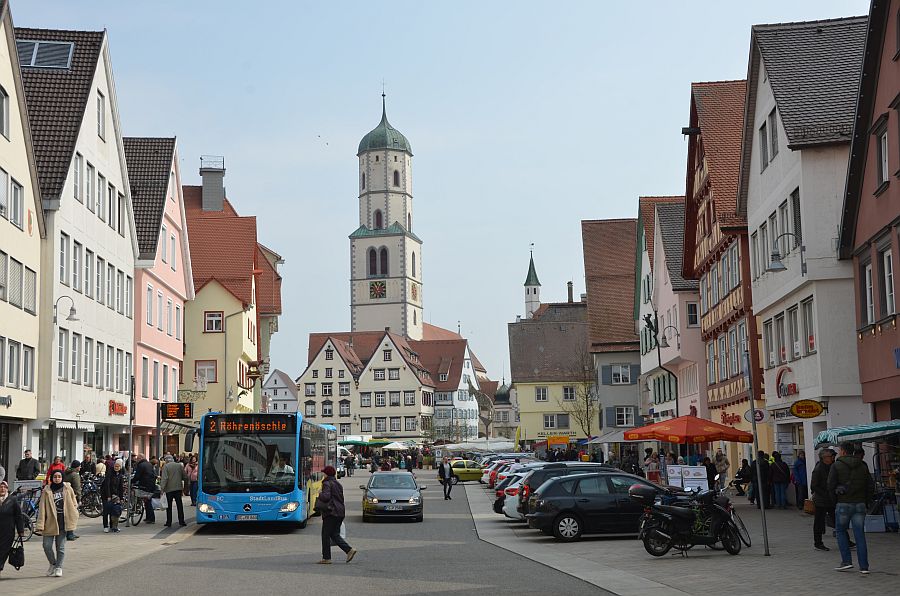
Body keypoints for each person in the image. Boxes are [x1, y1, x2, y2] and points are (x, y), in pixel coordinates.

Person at [828, 442, 875, 573]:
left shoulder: (836, 465)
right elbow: (870, 486)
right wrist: (866, 501)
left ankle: (846, 561)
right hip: (860, 504)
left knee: (841, 531)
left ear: (843, 451)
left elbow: (830, 486)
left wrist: (835, 502)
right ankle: (864, 566)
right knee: (859, 534)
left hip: (843, 503)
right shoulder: (863, 465)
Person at [35, 470, 78, 578]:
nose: (57, 478)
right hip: (50, 522)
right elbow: (42, 508)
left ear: (62, 477)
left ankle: (59, 567)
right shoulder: (47, 490)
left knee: (61, 547)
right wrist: (40, 524)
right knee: (46, 546)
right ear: (52, 478)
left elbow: (74, 502)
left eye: (59, 477)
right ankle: (53, 563)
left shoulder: (68, 488)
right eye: (55, 477)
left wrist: (74, 511)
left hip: (63, 522)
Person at [316, 466, 356, 564]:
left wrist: (319, 493)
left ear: (327, 474)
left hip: (331, 512)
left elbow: (326, 497)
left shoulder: (326, 483)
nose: (323, 474)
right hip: (340, 512)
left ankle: (327, 558)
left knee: (325, 535)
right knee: (334, 534)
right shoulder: (338, 483)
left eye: (324, 473)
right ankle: (349, 550)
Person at [811, 448, 836, 551]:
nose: (833, 458)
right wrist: (825, 493)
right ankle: (818, 543)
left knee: (836, 520)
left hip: (830, 499)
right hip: (821, 500)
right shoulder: (818, 469)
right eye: (831, 456)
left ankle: (846, 540)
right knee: (819, 522)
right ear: (824, 458)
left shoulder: (831, 466)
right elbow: (813, 486)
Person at [0, 480, 26, 578]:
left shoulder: (12, 500)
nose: (2, 489)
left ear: (7, 489)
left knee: (3, 551)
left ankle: (0, 567)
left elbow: (18, 516)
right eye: (0, 487)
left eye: (4, 487)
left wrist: (21, 531)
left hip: (8, 532)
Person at [159, 457, 186, 527]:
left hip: (169, 489)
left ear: (166, 461)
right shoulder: (179, 465)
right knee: (179, 505)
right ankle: (181, 521)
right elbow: (184, 476)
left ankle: (169, 522)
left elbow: (165, 478)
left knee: (169, 506)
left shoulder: (166, 466)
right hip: (178, 488)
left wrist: (162, 488)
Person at [101, 459, 125, 533]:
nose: (116, 467)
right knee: (106, 510)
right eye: (115, 466)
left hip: (115, 495)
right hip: (106, 494)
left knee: (113, 511)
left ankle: (112, 526)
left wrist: (121, 497)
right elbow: (107, 485)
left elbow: (121, 487)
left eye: (118, 466)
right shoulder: (109, 473)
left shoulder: (120, 475)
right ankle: (105, 526)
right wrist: (108, 496)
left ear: (120, 467)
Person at [132, 454, 157, 524]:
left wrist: (132, 481)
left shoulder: (141, 465)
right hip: (151, 485)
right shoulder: (149, 464)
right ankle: (149, 517)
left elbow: (137, 476)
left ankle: (151, 518)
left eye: (137, 459)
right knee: (147, 501)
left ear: (140, 458)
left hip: (145, 485)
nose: (136, 460)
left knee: (147, 502)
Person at [62, 461, 82, 540]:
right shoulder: (75, 475)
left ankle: (69, 533)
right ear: (76, 467)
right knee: (72, 515)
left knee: (67, 515)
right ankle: (70, 534)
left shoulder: (65, 473)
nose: (80, 468)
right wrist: (79, 498)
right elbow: (77, 488)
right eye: (79, 466)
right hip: (73, 497)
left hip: (65, 496)